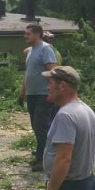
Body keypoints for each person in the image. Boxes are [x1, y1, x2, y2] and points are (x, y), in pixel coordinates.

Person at [19, 23, 57, 171]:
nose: (25, 36)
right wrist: (22, 93)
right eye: (25, 33)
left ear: (37, 34)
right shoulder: (31, 51)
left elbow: (54, 72)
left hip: (43, 94)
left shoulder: (46, 49)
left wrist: (52, 93)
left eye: (28, 34)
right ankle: (42, 153)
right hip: (32, 94)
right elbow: (28, 74)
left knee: (41, 127)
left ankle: (44, 160)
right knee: (36, 127)